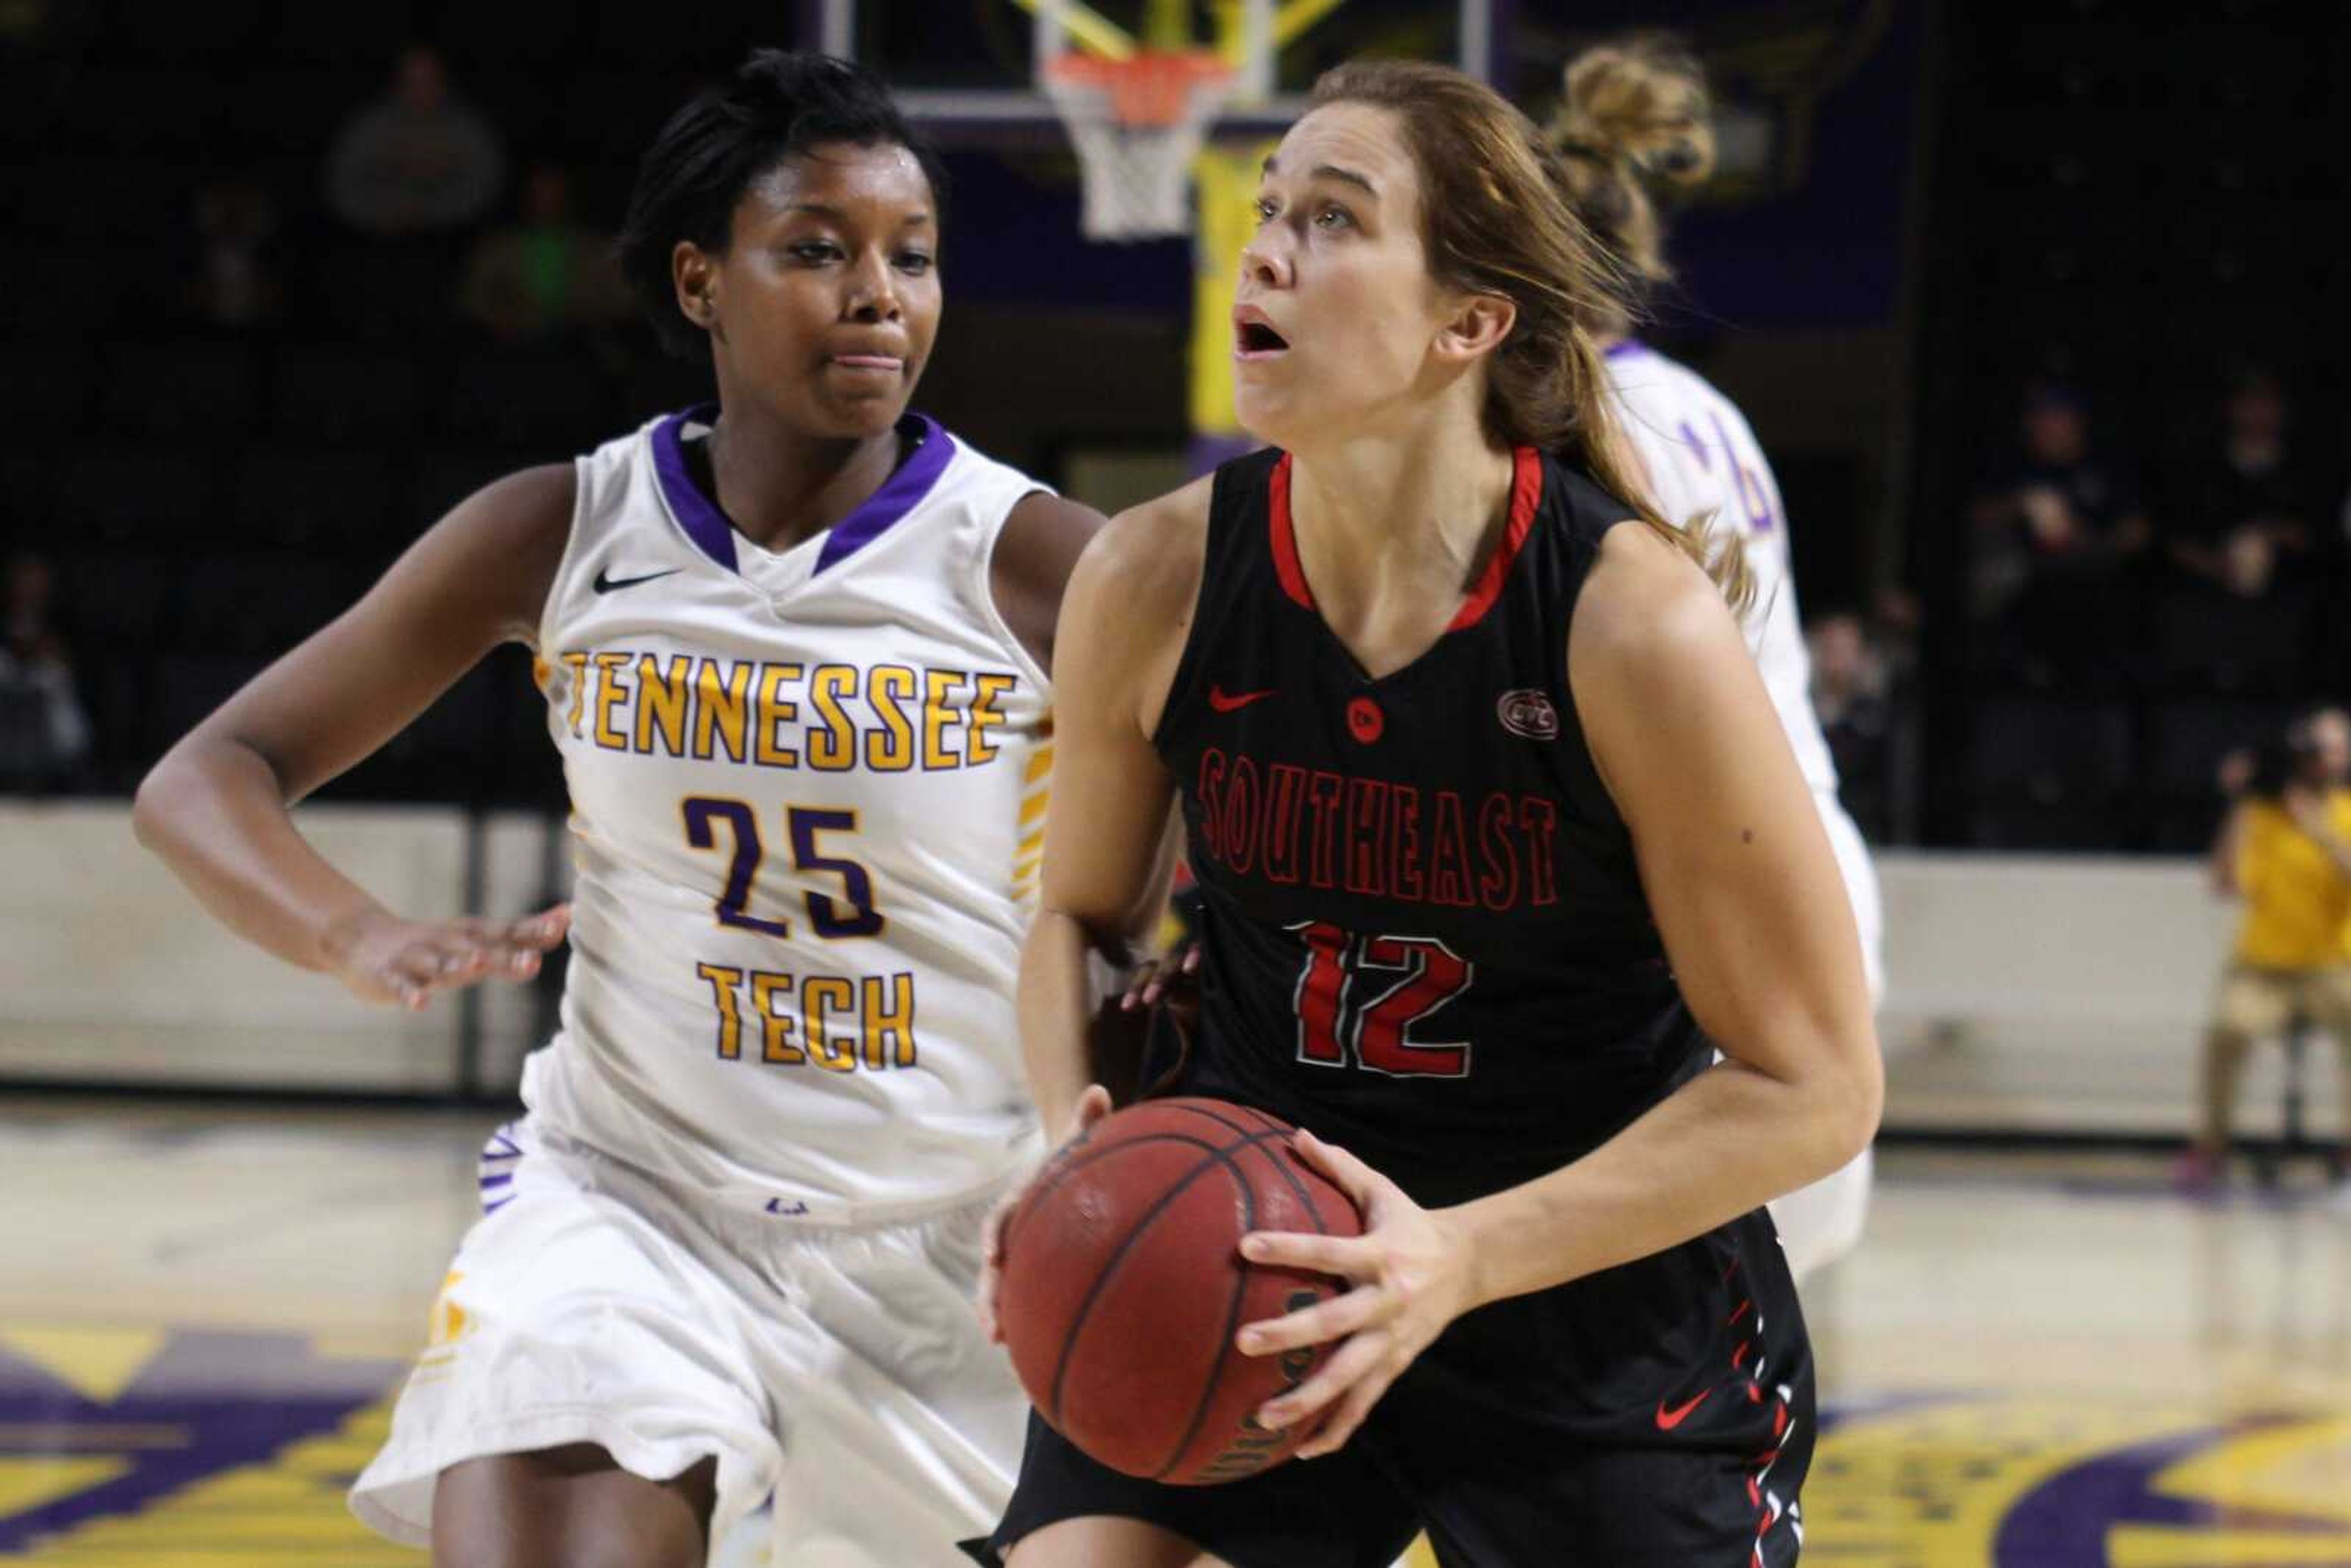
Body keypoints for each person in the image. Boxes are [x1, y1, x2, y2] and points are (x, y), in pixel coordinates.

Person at [135, 51, 1104, 1568]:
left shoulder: (1042, 565)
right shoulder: (563, 529)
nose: (879, 295)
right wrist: (355, 930)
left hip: (957, 1231)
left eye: (909, 256)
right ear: (699, 280)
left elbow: (1174, 894)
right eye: (816, 249)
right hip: (636, 1189)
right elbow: (206, 774)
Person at [980, 59, 1880, 1567]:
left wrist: (1454, 1254)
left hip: (1574, 1277)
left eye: (1330, 220)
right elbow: (1077, 914)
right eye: (1267, 211)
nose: (1261, 248)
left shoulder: (1624, 625)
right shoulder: (1150, 574)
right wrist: (1071, 1127)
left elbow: (1813, 1084)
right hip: (1250, 1246)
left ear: (1468, 322)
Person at [1548, 32, 1885, 1279]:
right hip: (1814, 864)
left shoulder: (1580, 423)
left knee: (1651, 1364)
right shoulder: (1710, 408)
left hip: (1718, 907)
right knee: (1747, 1358)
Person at [2178, 707, 2351, 1202]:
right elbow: (2224, 883)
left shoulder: (2345, 811)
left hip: (2333, 964)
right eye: (2317, 750)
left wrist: (2314, 826)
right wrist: (2241, 801)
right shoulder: (2260, 816)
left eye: (2336, 749)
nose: (2326, 759)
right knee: (2227, 1028)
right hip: (2262, 967)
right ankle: (2209, 1152)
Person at [325, 45, 508, 238]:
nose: (421, 91)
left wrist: (432, 211)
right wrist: (381, 211)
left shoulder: (467, 127)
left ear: (444, 81)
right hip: (375, 234)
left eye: (430, 81)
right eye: (412, 82)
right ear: (397, 83)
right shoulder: (370, 126)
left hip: (452, 234)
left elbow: (488, 181)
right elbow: (339, 182)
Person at [457, 162, 630, 343]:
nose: (547, 205)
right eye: (539, 197)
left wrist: (585, 312)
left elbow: (626, 301)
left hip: (584, 345)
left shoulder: (600, 248)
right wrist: (501, 314)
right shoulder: (497, 247)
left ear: (570, 199)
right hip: (509, 345)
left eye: (556, 197)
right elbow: (470, 299)